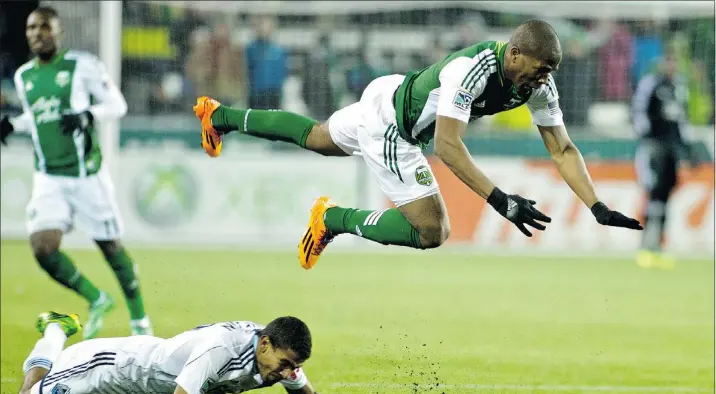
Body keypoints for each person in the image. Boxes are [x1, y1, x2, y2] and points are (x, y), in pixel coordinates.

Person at [193, 19, 643, 270]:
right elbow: (448, 145)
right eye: (541, 68)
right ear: (515, 54)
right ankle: (332, 219)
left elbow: (562, 149)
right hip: (395, 127)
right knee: (433, 231)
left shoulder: (536, 86)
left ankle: (219, 115)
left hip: (390, 93)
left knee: (316, 137)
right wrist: (500, 200)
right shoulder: (473, 68)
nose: (544, 79)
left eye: (550, 72)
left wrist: (596, 206)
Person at [0, 7, 152, 337]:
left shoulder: (83, 66)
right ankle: (97, 298)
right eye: (31, 27)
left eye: (44, 27)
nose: (37, 33)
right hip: (48, 178)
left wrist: (86, 114)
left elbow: (117, 105)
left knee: (111, 248)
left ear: (58, 32)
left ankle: (140, 319)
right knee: (43, 247)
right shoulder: (24, 76)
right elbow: (39, 119)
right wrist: (13, 123)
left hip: (87, 177)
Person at [14, 312, 411, 394]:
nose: (290, 373)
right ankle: (54, 331)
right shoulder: (220, 348)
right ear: (265, 344)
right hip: (109, 365)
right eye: (286, 364)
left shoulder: (275, 358)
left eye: (296, 366)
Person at [632, 51, 699, 269]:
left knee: (665, 195)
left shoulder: (678, 88)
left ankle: (658, 246)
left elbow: (681, 121)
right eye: (669, 60)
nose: (672, 65)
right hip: (653, 147)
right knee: (653, 193)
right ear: (662, 63)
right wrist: (648, 140)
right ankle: (645, 247)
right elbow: (639, 112)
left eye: (675, 61)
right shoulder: (651, 84)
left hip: (671, 149)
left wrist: (686, 149)